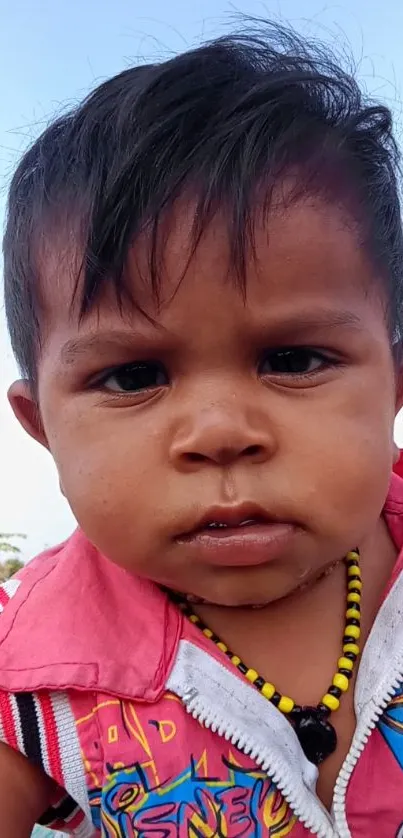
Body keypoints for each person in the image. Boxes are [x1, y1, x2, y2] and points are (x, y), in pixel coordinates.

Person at [1, 19, 403, 838]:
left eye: (292, 359)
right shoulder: (27, 676)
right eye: (134, 376)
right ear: (42, 427)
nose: (220, 432)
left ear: (395, 383)